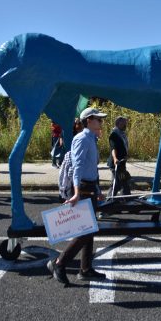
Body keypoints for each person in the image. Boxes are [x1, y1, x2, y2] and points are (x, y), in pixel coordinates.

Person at [48, 107, 108, 285]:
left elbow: (92, 168)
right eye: (98, 119)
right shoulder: (82, 139)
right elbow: (78, 167)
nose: (101, 122)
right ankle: (59, 263)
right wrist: (76, 193)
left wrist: (98, 190)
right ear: (88, 120)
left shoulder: (91, 138)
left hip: (90, 187)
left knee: (89, 229)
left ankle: (86, 269)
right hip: (82, 188)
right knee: (86, 231)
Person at [108, 116, 130, 198]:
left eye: (125, 123)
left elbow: (124, 147)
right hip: (116, 163)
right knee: (116, 183)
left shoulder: (122, 134)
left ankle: (126, 199)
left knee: (124, 181)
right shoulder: (114, 135)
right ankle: (109, 199)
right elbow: (113, 148)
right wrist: (115, 158)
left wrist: (126, 155)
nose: (125, 125)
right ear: (117, 124)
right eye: (123, 124)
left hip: (122, 163)